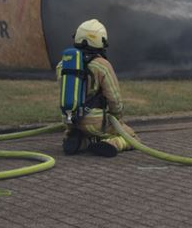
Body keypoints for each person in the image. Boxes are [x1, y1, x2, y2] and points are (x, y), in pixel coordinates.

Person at [58, 19, 139, 157]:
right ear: (99, 41)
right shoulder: (101, 65)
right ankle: (110, 144)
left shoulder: (63, 64)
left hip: (69, 119)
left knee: (88, 133)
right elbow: (114, 98)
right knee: (133, 138)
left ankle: (80, 141)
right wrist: (117, 117)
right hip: (95, 121)